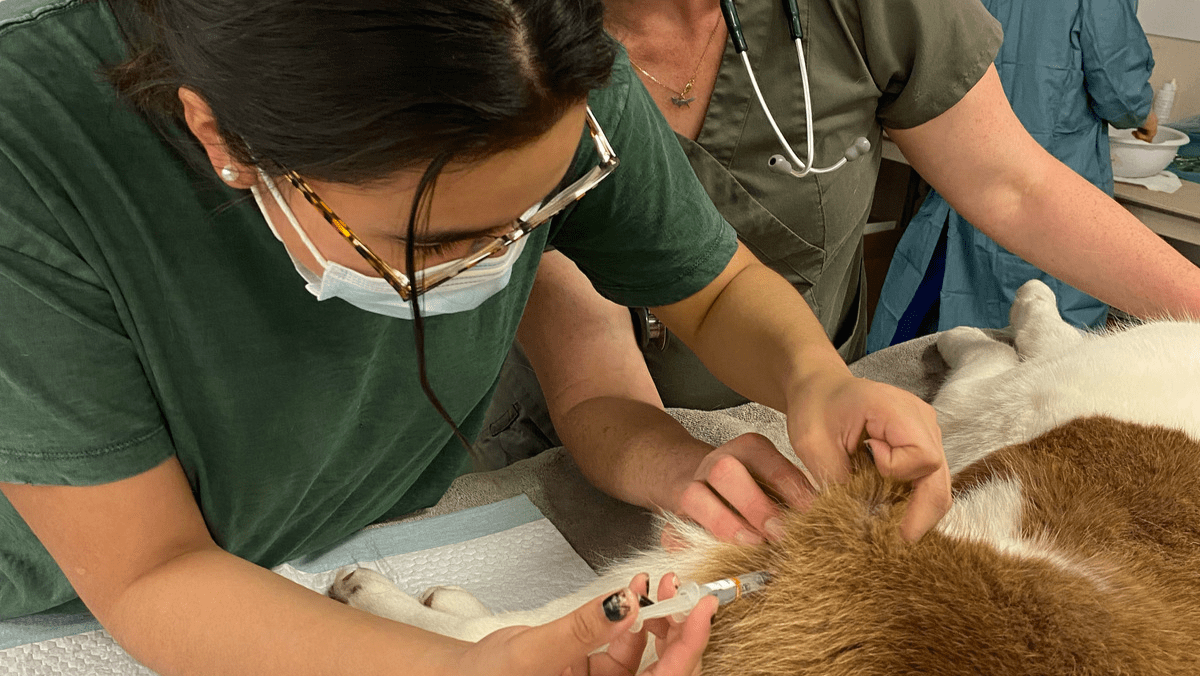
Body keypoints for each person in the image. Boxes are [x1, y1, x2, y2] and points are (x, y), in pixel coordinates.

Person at [0, 0, 947, 672]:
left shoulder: (533, 52)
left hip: (363, 530)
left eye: (541, 211)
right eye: (442, 241)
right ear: (220, 137)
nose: (502, 258)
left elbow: (711, 288)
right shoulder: (32, 159)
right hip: (66, 598)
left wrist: (812, 377)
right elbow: (149, 573)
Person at [474, 0, 1200, 532]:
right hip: (583, 441)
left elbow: (1014, 184)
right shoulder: (530, 60)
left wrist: (815, 383)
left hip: (814, 419)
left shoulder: (861, 14)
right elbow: (596, 375)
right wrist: (685, 465)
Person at [868, 0, 1160, 348]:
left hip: (959, 183)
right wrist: (1144, 115)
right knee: (1037, 348)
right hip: (1045, 199)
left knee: (930, 344)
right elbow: (1121, 91)